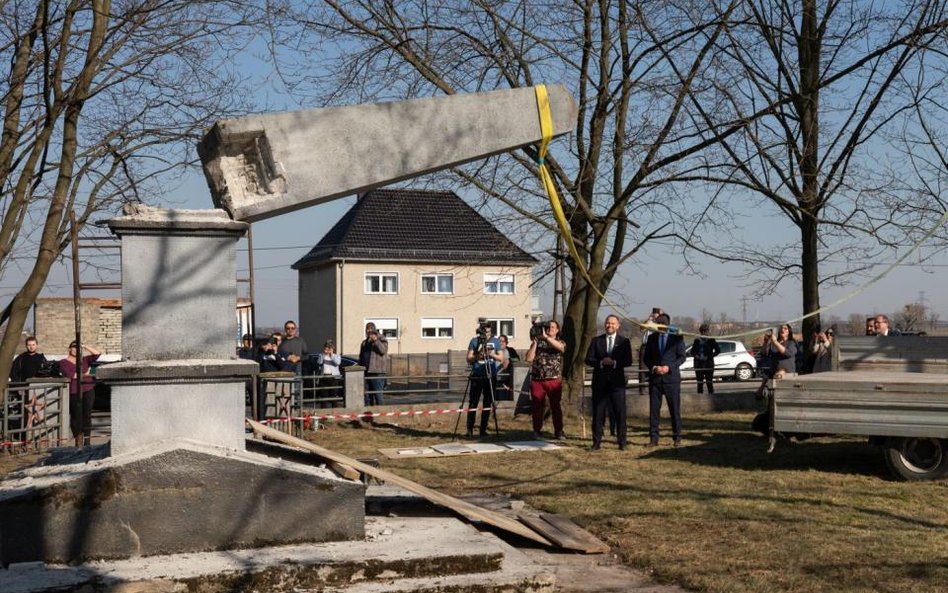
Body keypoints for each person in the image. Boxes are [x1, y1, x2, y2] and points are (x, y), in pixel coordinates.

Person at [585, 314, 633, 450]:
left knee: (620, 413)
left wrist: (615, 363)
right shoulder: (596, 341)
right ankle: (596, 441)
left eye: (612, 323)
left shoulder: (624, 342)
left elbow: (628, 360)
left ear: (618, 326)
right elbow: (588, 359)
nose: (609, 325)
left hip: (617, 384)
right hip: (600, 383)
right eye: (607, 323)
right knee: (598, 413)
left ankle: (622, 442)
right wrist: (600, 362)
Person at [642, 313, 687, 447]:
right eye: (657, 325)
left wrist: (669, 367)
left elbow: (682, 357)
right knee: (654, 411)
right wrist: (654, 367)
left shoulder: (677, 338)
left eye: (662, 325)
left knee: (674, 410)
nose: (660, 328)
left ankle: (677, 437)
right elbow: (646, 358)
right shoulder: (651, 338)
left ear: (667, 325)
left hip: (671, 379)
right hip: (655, 379)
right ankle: (654, 438)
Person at [525, 320, 566, 440]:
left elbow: (561, 348)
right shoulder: (538, 342)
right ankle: (537, 430)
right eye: (548, 327)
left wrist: (547, 338)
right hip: (537, 379)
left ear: (557, 330)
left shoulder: (559, 341)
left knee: (555, 406)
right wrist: (535, 343)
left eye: (553, 327)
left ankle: (558, 430)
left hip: (553, 379)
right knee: (537, 406)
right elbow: (529, 359)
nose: (550, 329)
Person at [59, 341, 101, 447]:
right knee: (76, 416)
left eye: (78, 348)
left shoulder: (84, 360)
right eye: (74, 347)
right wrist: (86, 373)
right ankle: (78, 440)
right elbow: (72, 375)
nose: (76, 349)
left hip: (88, 389)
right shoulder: (63, 362)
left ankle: (87, 441)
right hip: (74, 391)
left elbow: (97, 354)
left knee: (87, 415)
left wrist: (85, 346)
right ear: (69, 349)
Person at [465, 322, 503, 438]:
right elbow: (469, 358)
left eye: (487, 331)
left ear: (490, 331)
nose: (485, 334)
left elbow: (501, 358)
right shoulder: (474, 341)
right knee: (473, 402)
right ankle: (470, 429)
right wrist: (478, 354)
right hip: (477, 375)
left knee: (487, 403)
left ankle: (483, 429)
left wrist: (492, 355)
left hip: (490, 375)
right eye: (483, 331)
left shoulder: (495, 341)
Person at [754, 324, 798, 399]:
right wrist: (765, 342)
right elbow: (764, 353)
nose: (782, 330)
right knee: (767, 383)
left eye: (785, 328)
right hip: (773, 371)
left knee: (778, 379)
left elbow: (788, 353)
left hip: (787, 373)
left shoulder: (791, 343)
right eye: (781, 328)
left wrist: (775, 342)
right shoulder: (774, 343)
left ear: (789, 332)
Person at [359, 322, 389, 406]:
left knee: (378, 395)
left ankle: (381, 415)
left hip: (377, 373)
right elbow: (361, 357)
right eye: (367, 329)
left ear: (374, 330)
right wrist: (361, 368)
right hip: (366, 372)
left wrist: (376, 340)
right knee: (367, 396)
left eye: (370, 329)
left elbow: (383, 350)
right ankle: (368, 415)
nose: (368, 331)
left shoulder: (382, 339)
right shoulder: (364, 343)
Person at [691, 324, 720, 394]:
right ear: (700, 331)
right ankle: (699, 399)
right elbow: (692, 352)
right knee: (700, 384)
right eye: (702, 331)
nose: (703, 332)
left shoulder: (711, 340)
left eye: (705, 331)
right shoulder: (697, 341)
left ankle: (711, 398)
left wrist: (709, 356)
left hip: (708, 364)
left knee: (709, 383)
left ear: (707, 331)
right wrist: (696, 356)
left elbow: (718, 350)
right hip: (698, 364)